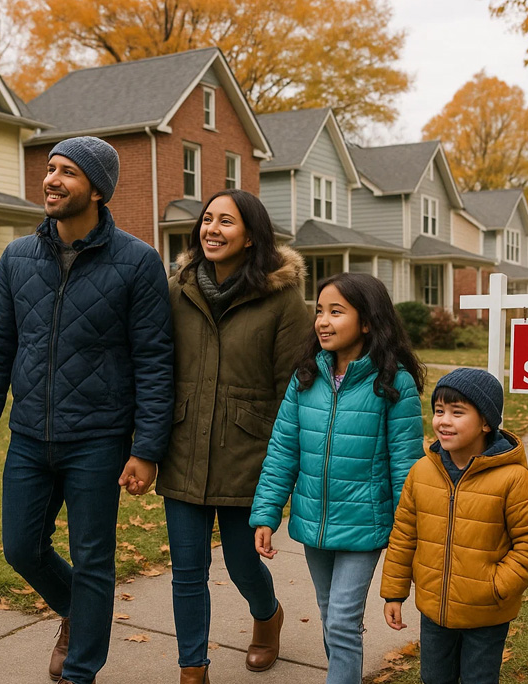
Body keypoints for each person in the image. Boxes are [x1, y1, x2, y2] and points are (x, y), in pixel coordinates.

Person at [0, 136, 174, 684]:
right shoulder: (17, 257)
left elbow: (155, 361)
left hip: (100, 440)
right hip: (30, 436)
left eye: (68, 173)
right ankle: (80, 617)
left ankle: (80, 670)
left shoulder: (137, 262)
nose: (51, 180)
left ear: (98, 190)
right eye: (50, 169)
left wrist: (146, 448)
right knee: (21, 548)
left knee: (93, 559)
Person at [156, 188, 308, 684]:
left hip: (250, 453)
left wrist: (289, 464)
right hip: (183, 446)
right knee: (188, 572)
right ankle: (192, 669)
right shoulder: (177, 289)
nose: (211, 229)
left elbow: (294, 385)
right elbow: (154, 365)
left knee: (244, 564)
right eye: (206, 219)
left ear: (250, 237)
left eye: (226, 221)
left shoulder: (282, 298)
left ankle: (267, 616)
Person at [249, 272, 426, 684]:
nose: (322, 321)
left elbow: (406, 468)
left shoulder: (393, 383)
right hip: (313, 522)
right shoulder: (306, 376)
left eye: (336, 312)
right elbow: (282, 450)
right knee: (333, 619)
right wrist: (266, 513)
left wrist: (409, 535)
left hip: (366, 526)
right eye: (319, 311)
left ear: (367, 321)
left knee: (343, 622)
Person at [380, 368, 528, 684]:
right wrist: (394, 593)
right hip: (435, 610)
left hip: (486, 613)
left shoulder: (512, 478)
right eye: (439, 411)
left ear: (485, 422)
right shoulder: (422, 472)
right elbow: (404, 535)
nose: (444, 420)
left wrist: (496, 585)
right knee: (434, 678)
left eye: (457, 413)